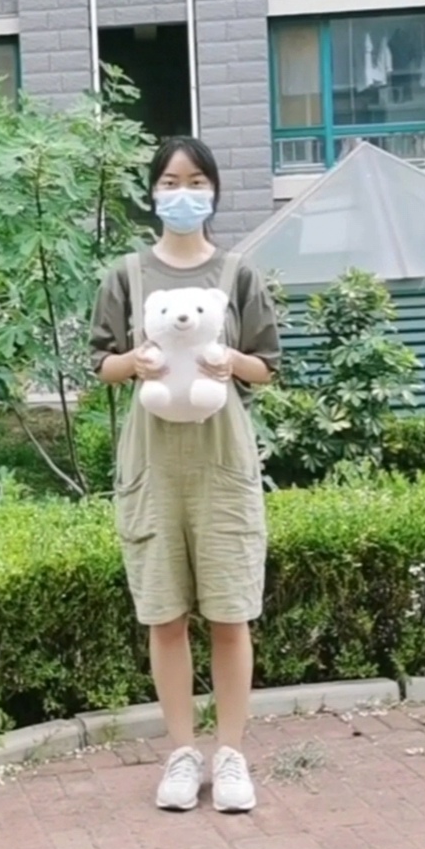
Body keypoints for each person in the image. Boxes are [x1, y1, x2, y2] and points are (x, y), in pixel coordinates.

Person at [89, 136, 281, 813]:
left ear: (214, 191)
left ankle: (229, 755)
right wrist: (132, 363)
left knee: (230, 614)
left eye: (196, 181)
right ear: (153, 192)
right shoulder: (125, 275)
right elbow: (102, 363)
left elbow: (266, 365)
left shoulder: (237, 274)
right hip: (152, 462)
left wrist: (230, 361)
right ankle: (180, 752)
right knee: (164, 615)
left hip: (222, 463)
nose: (182, 193)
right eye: (170, 181)